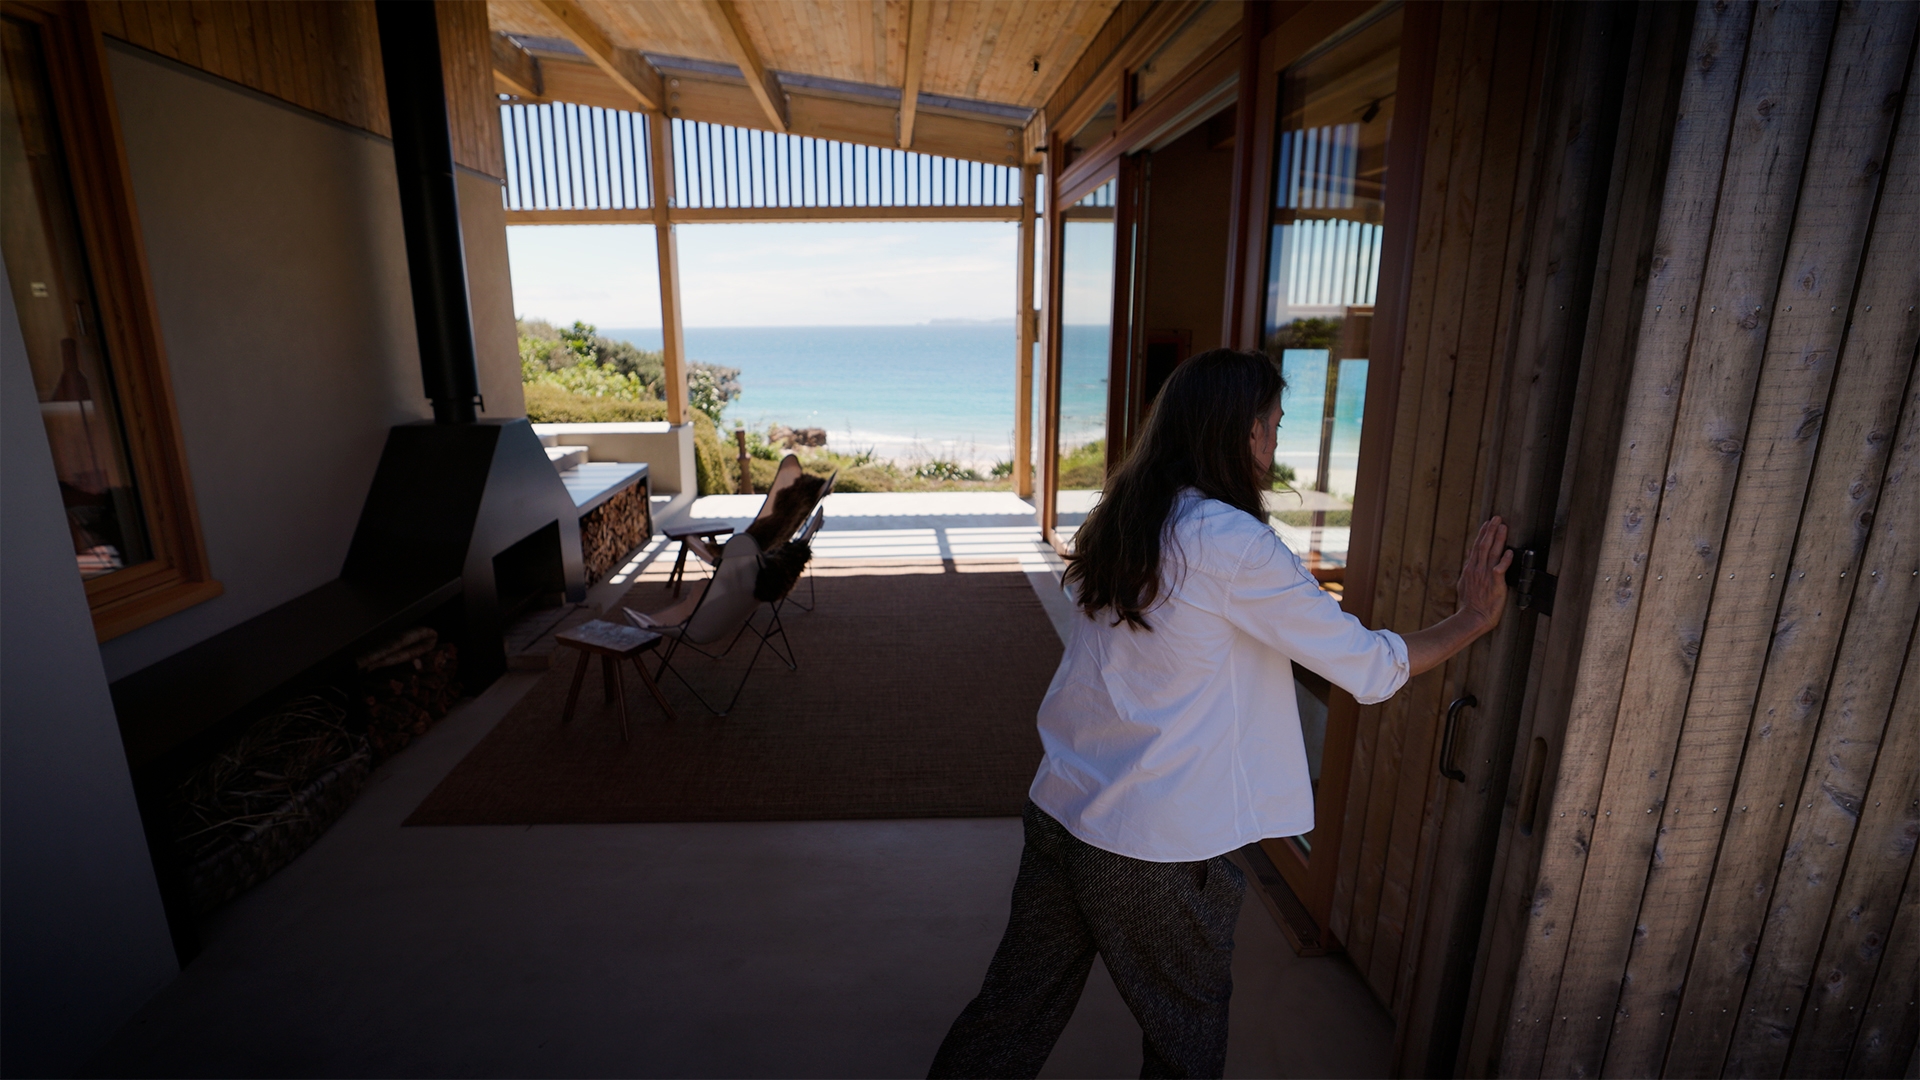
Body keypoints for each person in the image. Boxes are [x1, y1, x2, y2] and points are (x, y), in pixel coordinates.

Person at [928, 348, 1510, 1079]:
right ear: (1237, 436)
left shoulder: (1127, 519)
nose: (1274, 447)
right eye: (1270, 428)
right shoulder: (1232, 544)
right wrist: (1469, 622)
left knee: (1010, 1015)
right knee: (1186, 1048)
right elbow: (1366, 666)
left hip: (1064, 810)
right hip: (1153, 848)